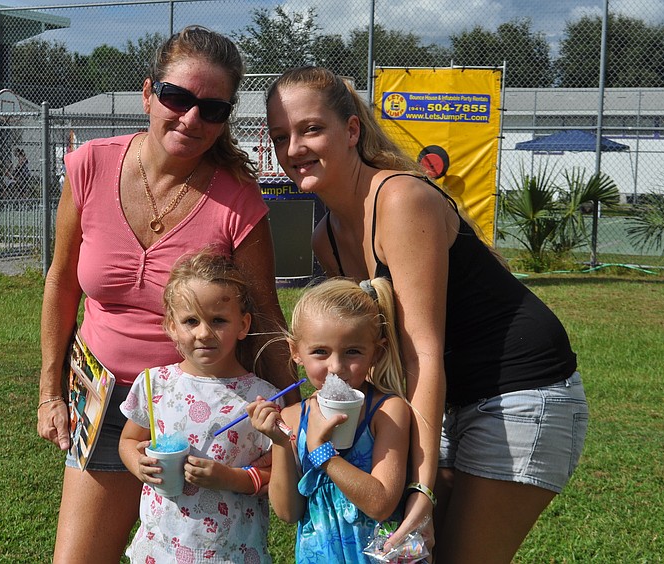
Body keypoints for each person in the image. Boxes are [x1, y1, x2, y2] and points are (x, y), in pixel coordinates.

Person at [265, 66, 589, 563]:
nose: (294, 149)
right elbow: (376, 353)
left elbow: (421, 351)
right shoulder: (325, 237)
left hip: (519, 389)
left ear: (351, 131)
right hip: (445, 397)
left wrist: (421, 490)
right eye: (281, 136)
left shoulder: (401, 198)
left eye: (311, 129)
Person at [36, 26, 295, 563]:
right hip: (103, 396)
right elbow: (62, 280)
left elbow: (265, 317)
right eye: (178, 98)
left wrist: (297, 412)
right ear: (148, 93)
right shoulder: (89, 165)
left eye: (213, 109)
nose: (192, 118)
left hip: (199, 408)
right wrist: (50, 391)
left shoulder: (237, 199)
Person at [118, 249, 283, 563]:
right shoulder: (155, 384)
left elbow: (277, 473)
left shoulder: (262, 398)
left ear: (243, 324)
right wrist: (137, 464)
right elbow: (129, 440)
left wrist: (228, 478)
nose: (204, 333)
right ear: (171, 326)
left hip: (232, 553)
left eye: (218, 320)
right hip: (160, 548)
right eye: (191, 321)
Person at [247, 277, 411, 563]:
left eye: (353, 352)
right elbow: (288, 513)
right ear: (296, 351)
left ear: (377, 352)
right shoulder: (293, 416)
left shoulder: (388, 411)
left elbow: (381, 504)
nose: (336, 367)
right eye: (320, 352)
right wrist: (281, 443)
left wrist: (323, 453)